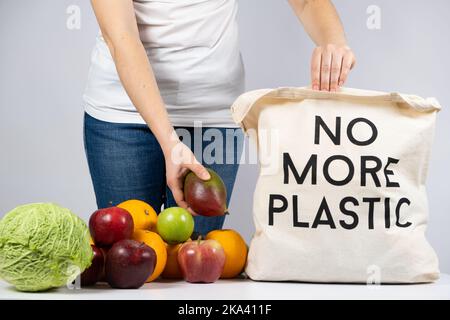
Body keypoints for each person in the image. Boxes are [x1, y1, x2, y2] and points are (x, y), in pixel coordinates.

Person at [83, 0, 356, 236]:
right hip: (123, 117)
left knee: (197, 265)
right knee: (130, 258)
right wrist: (170, 143)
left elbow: (307, 2)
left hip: (212, 117)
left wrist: (335, 43)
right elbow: (121, 36)